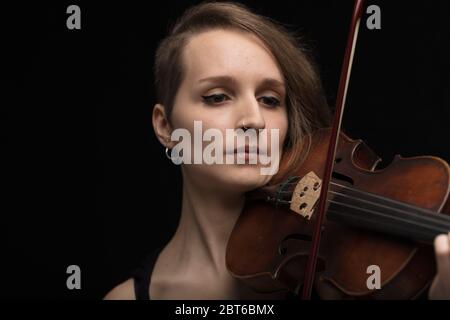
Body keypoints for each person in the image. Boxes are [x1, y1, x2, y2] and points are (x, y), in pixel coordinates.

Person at [104, 2, 450, 300]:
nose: (253, 120)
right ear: (165, 126)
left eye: (270, 100)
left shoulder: (334, 276)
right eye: (217, 96)